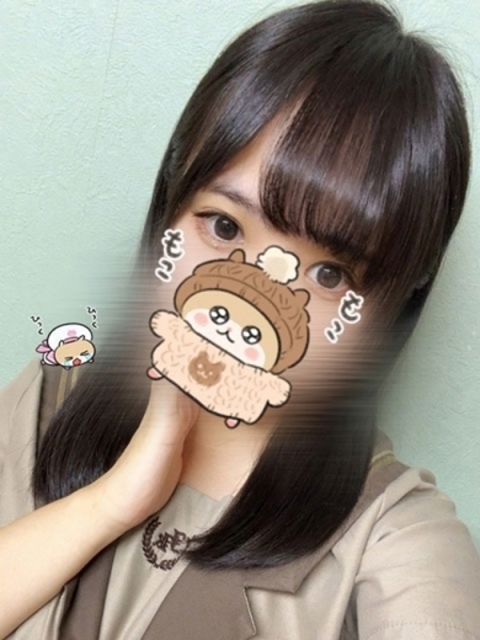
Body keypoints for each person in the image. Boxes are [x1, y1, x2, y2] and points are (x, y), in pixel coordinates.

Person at [1, 1, 480, 638]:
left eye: (330, 274)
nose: (249, 295)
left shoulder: (397, 541)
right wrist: (110, 502)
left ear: (392, 303)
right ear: (172, 202)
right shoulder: (52, 397)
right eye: (224, 227)